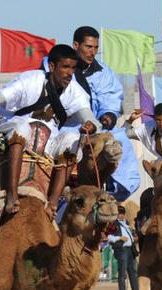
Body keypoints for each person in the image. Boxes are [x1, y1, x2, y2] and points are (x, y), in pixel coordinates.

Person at [0, 44, 98, 214]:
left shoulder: (75, 92)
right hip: (15, 129)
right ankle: (11, 195)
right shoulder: (30, 80)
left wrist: (91, 125)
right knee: (23, 128)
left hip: (48, 142)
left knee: (72, 139)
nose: (70, 73)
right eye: (65, 67)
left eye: (73, 68)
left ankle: (52, 204)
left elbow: (89, 117)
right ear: (52, 66)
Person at [45, 26, 140, 200]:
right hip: (65, 126)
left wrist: (109, 116)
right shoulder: (54, 64)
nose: (93, 52)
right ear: (76, 45)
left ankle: (111, 198)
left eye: (96, 48)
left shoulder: (104, 73)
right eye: (89, 47)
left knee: (121, 140)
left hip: (95, 126)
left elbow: (111, 100)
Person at [107, 206, 139, 290]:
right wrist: (119, 238)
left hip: (130, 249)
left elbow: (131, 236)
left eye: (122, 213)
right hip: (122, 249)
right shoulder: (113, 224)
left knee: (133, 272)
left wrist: (134, 238)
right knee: (122, 273)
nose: (121, 215)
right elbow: (108, 237)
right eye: (119, 213)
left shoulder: (127, 224)